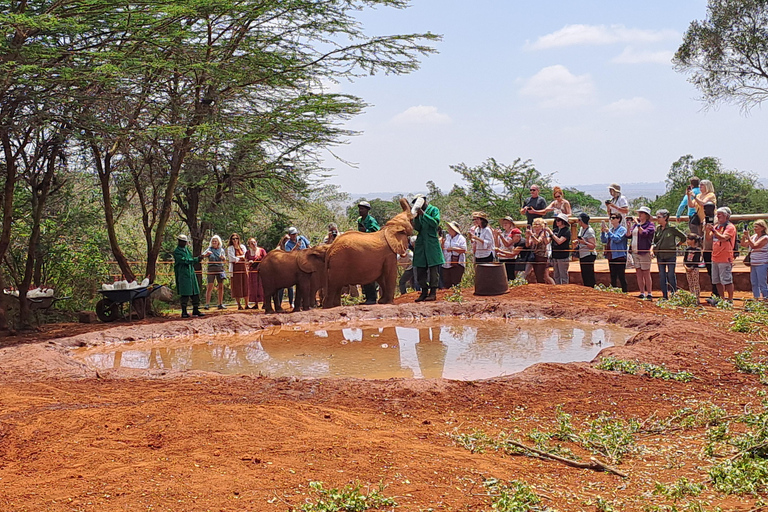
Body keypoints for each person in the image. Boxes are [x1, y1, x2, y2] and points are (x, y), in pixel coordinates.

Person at [412, 194, 444, 302]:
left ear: (424, 201)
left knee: (433, 268)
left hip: (431, 242)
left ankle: (433, 292)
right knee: (420, 268)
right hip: (421, 242)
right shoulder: (418, 213)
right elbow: (417, 228)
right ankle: (424, 291)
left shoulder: (434, 210)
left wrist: (424, 215)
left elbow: (435, 223)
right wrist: (416, 218)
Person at [652, 209, 686, 299]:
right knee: (662, 275)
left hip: (670, 255)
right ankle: (664, 295)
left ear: (665, 217)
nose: (657, 219)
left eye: (659, 217)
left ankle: (674, 294)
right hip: (660, 255)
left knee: (671, 274)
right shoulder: (658, 229)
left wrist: (677, 245)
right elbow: (654, 241)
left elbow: (683, 237)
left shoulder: (672, 229)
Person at [707, 207, 737, 303]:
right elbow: (708, 238)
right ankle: (722, 299)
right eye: (718, 214)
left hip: (725, 257)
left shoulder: (730, 227)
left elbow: (723, 238)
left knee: (727, 280)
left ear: (726, 216)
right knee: (717, 280)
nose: (718, 216)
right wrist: (707, 230)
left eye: (720, 214)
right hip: (715, 257)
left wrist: (713, 231)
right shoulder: (717, 226)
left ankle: (730, 299)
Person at [173, 234, 205, 318]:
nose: (184, 243)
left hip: (191, 273)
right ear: (179, 241)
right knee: (185, 293)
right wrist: (196, 259)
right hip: (183, 274)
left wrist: (197, 259)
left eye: (185, 242)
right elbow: (185, 261)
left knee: (195, 292)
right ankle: (184, 311)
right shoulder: (177, 252)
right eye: (182, 241)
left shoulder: (187, 250)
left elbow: (190, 259)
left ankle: (195, 309)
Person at [278, 226, 310, 308]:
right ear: (289, 235)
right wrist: (295, 247)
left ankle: (306, 303)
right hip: (294, 265)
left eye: (295, 234)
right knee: (291, 285)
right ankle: (289, 302)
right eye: (292, 234)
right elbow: (289, 255)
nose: (294, 236)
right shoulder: (287, 244)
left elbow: (309, 247)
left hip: (305, 263)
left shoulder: (302, 238)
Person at [628, 207, 656, 299]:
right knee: (638, 273)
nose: (640, 215)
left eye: (642, 213)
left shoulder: (650, 225)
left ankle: (649, 293)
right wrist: (629, 226)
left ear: (646, 215)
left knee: (646, 273)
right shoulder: (636, 225)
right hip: (635, 252)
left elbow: (644, 234)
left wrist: (637, 224)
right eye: (639, 213)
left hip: (644, 252)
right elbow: (629, 235)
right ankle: (642, 292)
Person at [357, 201, 381, 305]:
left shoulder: (371, 221)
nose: (360, 211)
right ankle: (367, 297)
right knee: (364, 274)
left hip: (371, 249)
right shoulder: (359, 220)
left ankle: (372, 298)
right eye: (360, 208)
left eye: (362, 209)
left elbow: (377, 233)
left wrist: (366, 231)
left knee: (371, 274)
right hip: (363, 250)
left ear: (367, 210)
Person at [741, 219, 768, 300]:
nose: (754, 229)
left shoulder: (765, 238)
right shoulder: (754, 236)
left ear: (762, 228)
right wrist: (744, 237)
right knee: (754, 282)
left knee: (762, 282)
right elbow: (744, 244)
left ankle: (766, 299)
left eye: (756, 227)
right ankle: (756, 298)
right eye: (754, 227)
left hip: (762, 263)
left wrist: (748, 236)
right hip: (754, 263)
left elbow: (754, 246)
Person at [600, 213, 628, 292]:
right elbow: (604, 240)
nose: (611, 219)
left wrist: (608, 232)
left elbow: (617, 239)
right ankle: (614, 293)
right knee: (613, 276)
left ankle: (625, 292)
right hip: (611, 255)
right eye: (610, 218)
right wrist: (603, 232)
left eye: (613, 218)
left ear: (618, 219)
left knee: (621, 276)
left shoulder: (622, 229)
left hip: (620, 256)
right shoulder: (612, 230)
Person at [545, 212, 571, 284]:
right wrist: (544, 233)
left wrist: (551, 233)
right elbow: (547, 241)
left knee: (563, 275)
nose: (557, 222)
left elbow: (559, 241)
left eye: (558, 220)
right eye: (556, 220)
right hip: (555, 255)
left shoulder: (566, 231)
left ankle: (564, 289)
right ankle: (558, 289)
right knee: (556, 274)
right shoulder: (555, 230)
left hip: (563, 256)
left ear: (563, 221)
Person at [202, 234, 226, 310]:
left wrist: (223, 258)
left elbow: (224, 259)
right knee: (210, 286)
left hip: (220, 269)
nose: (214, 242)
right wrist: (207, 254)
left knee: (221, 286)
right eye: (213, 241)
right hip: (211, 269)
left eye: (215, 241)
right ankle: (207, 304)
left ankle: (220, 303)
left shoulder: (221, 250)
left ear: (218, 242)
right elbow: (202, 255)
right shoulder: (209, 249)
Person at [573, 212, 597, 288]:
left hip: (589, 255)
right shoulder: (581, 229)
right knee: (584, 274)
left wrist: (584, 242)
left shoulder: (590, 231)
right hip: (583, 254)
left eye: (579, 220)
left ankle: (591, 289)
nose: (578, 221)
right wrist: (578, 241)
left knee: (589, 274)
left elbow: (593, 246)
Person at [442, 221, 467, 288]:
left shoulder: (461, 238)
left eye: (450, 228)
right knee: (446, 283)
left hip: (457, 264)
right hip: (446, 263)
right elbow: (442, 248)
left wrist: (453, 248)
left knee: (455, 282)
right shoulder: (446, 237)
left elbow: (464, 250)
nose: (449, 230)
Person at [227, 232, 249, 310]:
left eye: (236, 238)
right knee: (236, 286)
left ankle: (247, 304)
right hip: (235, 270)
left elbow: (246, 256)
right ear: (231, 240)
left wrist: (238, 258)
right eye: (233, 239)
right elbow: (232, 258)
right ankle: (239, 305)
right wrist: (240, 258)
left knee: (245, 285)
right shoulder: (230, 248)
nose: (235, 240)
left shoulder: (242, 247)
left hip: (243, 268)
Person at [526, 218, 551, 284]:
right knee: (537, 274)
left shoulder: (543, 233)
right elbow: (528, 244)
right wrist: (527, 237)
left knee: (541, 275)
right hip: (534, 256)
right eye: (535, 224)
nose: (536, 226)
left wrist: (531, 235)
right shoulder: (533, 234)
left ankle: (544, 289)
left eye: (538, 224)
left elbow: (538, 242)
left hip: (542, 256)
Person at [245, 237, 267, 309]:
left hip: (261, 271)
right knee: (254, 287)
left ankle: (265, 303)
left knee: (262, 286)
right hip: (252, 272)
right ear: (249, 245)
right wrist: (249, 262)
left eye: (254, 242)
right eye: (251, 243)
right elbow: (245, 262)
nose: (253, 244)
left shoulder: (261, 251)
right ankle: (256, 304)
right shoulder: (248, 253)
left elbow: (266, 260)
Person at [684, 234, 704, 302]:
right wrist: (686, 267)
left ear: (693, 241)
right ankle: (692, 297)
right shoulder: (687, 249)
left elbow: (697, 261)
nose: (687, 241)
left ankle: (697, 298)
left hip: (694, 269)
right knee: (690, 283)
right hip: (687, 268)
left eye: (688, 239)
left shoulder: (698, 250)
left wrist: (691, 268)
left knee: (695, 283)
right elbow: (685, 260)